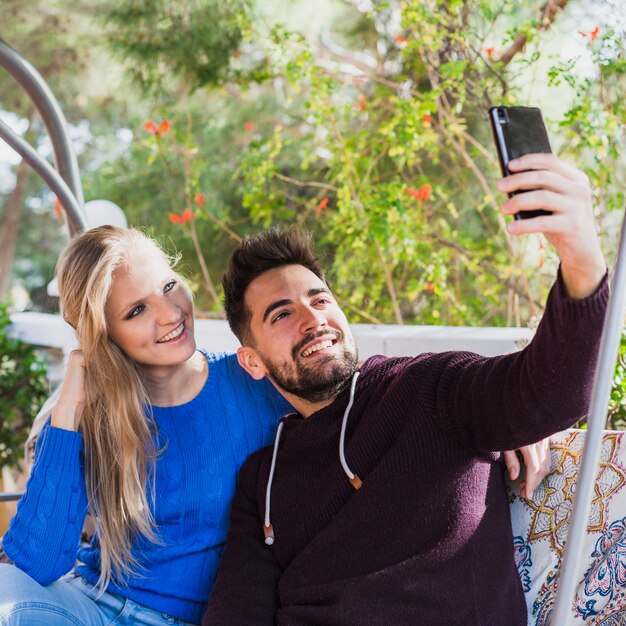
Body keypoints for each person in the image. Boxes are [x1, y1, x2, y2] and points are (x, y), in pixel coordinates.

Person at [203, 153, 608, 625]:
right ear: (251, 361)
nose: (313, 320)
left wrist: (580, 253)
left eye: (320, 300)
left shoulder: (431, 388)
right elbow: (236, 611)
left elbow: (551, 393)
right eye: (282, 314)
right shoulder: (262, 480)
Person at [0, 225, 292, 626]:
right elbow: (37, 564)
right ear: (106, 335)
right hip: (93, 608)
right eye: (136, 310)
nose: (171, 314)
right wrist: (67, 407)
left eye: (169, 285)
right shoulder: (92, 416)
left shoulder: (252, 383)